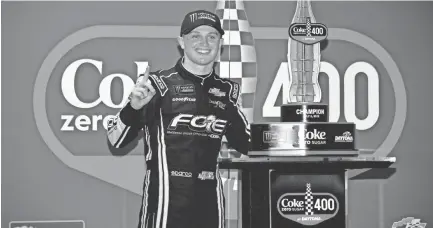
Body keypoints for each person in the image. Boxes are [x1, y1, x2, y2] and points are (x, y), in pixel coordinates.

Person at [106, 9, 251, 228]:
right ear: (181, 42)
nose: (204, 42)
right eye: (195, 36)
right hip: (165, 206)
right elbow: (117, 140)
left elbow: (249, 144)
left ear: (220, 43)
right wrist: (133, 108)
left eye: (212, 36)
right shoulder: (157, 84)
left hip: (210, 206)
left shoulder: (227, 91)